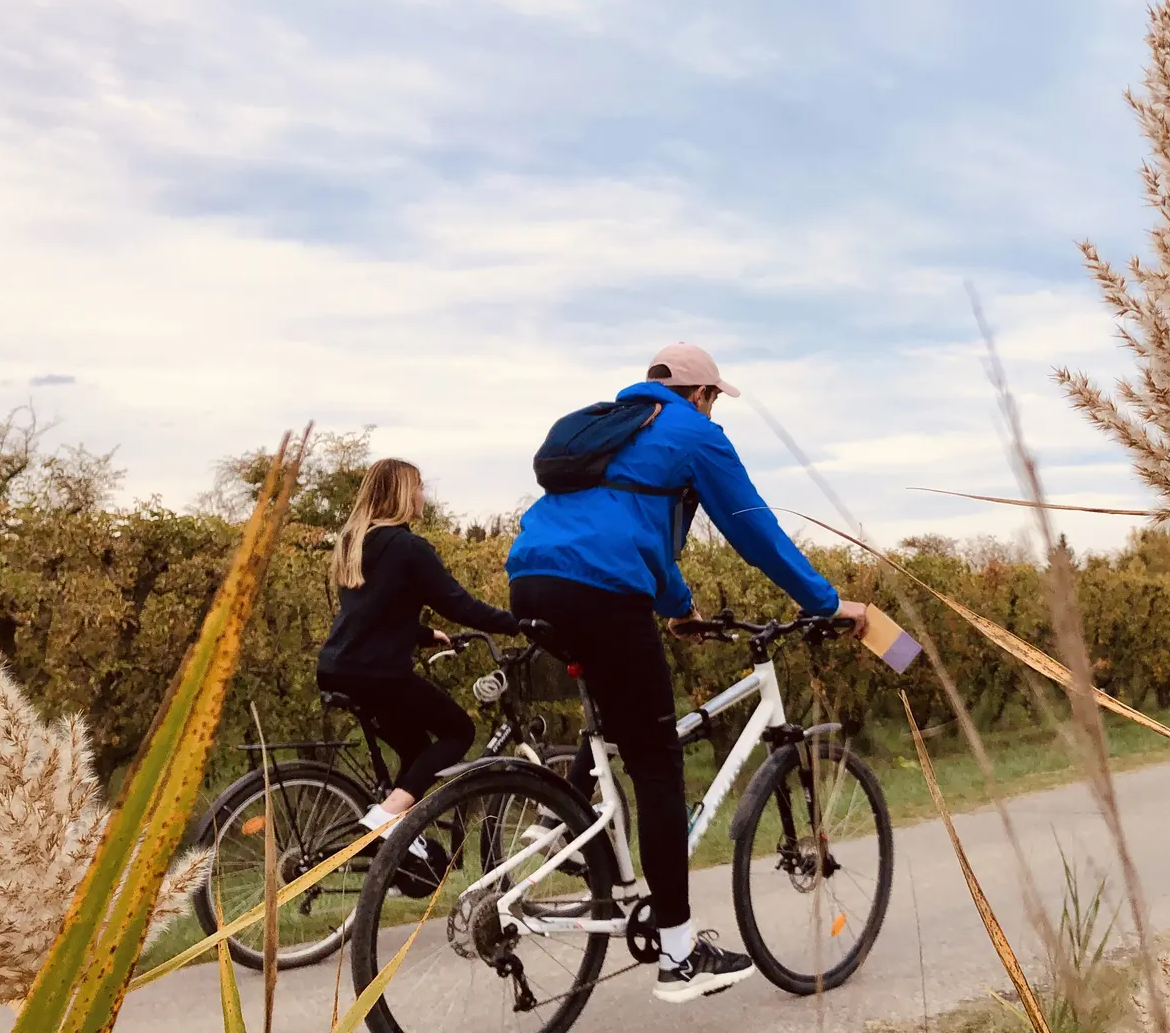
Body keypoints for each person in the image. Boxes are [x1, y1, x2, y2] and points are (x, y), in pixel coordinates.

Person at [507, 342, 868, 1004]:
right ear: (702, 395)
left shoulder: (612, 426)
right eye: (711, 397)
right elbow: (756, 532)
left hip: (530, 581)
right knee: (656, 763)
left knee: (614, 721)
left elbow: (632, 525)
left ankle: (566, 825)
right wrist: (825, 602)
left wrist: (680, 609)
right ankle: (678, 953)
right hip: (602, 592)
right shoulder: (696, 434)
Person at [316, 458, 523, 848]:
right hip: (377, 672)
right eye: (419, 487)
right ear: (403, 494)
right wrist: (517, 623)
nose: (423, 496)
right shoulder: (409, 546)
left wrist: (424, 634)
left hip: (338, 666)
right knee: (459, 731)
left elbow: (373, 611)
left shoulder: (354, 542)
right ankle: (386, 818)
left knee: (416, 752)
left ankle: (397, 852)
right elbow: (458, 603)